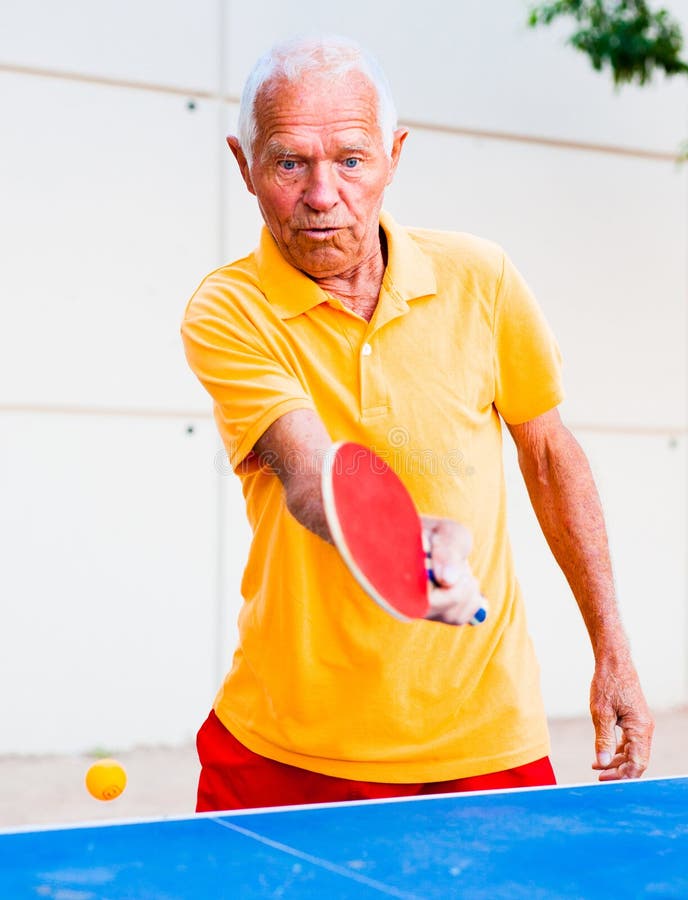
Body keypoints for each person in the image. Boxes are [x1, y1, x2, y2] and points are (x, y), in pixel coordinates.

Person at [181, 34, 653, 812]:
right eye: (290, 162)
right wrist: (431, 572)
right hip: (288, 746)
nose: (323, 193)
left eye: (352, 160)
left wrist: (614, 650)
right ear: (245, 164)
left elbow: (548, 455)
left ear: (395, 155)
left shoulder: (483, 278)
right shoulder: (229, 309)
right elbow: (308, 473)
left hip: (486, 740)